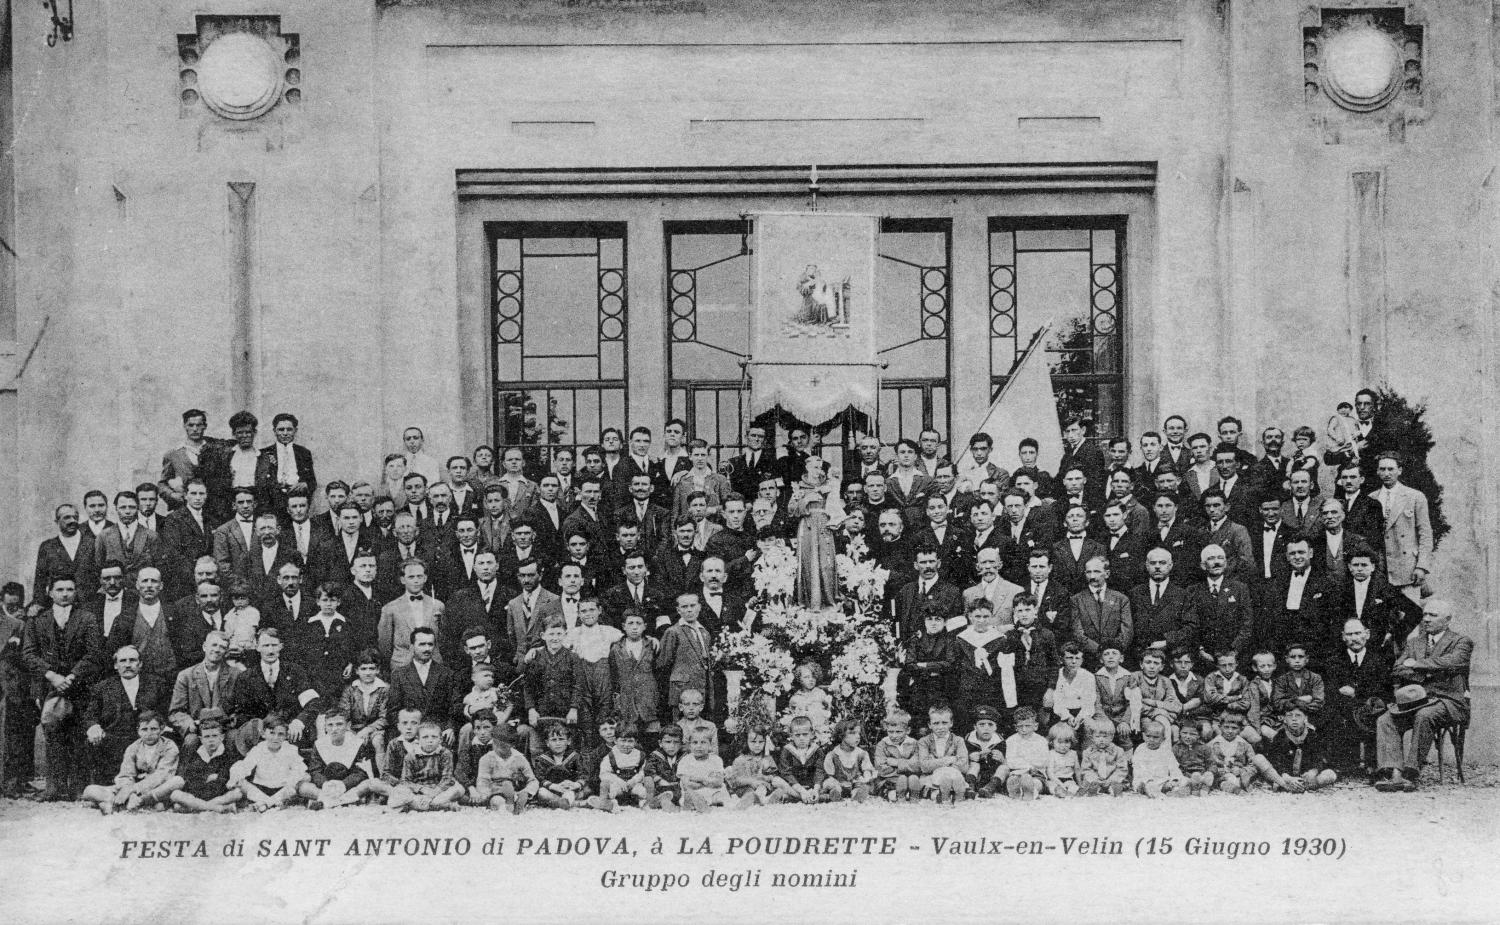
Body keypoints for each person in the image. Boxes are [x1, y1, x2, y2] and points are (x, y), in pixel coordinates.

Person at [1374, 600, 1472, 792]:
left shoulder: (1461, 641)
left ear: (1447, 619)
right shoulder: (1413, 643)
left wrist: (1417, 665)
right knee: (1386, 719)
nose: (1426, 619)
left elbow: (1453, 663)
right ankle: (1395, 774)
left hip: (1448, 700)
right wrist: (1427, 671)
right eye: (1425, 615)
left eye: (1433, 615)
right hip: (1416, 700)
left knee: (1424, 716)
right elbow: (1398, 669)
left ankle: (1411, 774)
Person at [225, 628, 322, 755]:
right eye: (265, 645)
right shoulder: (246, 677)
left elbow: (313, 703)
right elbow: (241, 712)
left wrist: (299, 722)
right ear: (257, 647)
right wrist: (261, 729)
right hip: (260, 735)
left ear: (281, 646)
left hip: (291, 731)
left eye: (274, 645)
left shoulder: (295, 671)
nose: (270, 650)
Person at [1323, 618, 1391, 774]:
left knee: (1379, 715)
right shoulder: (1333, 660)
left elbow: (1384, 690)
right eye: (1349, 634)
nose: (1354, 638)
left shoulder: (1379, 660)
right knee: (1335, 713)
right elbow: (1331, 689)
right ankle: (1344, 764)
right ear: (1343, 637)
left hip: (1370, 709)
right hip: (1343, 708)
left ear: (1367, 634)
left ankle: (1374, 765)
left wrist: (1357, 693)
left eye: (1358, 633)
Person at [80, 710, 179, 813]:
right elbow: (126, 774)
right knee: (90, 790)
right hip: (131, 789)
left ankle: (126, 803)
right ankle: (127, 802)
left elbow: (161, 776)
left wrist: (133, 789)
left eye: (154, 729)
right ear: (138, 731)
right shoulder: (133, 747)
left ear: (162, 729)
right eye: (144, 729)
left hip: (155, 789)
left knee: (177, 781)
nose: (149, 733)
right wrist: (129, 792)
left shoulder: (169, 747)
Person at [1371, 453, 1433, 601]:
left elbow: (1425, 534)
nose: (1387, 473)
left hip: (1407, 568)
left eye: (1391, 469)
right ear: (1378, 472)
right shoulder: (1372, 498)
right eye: (1382, 469)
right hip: (1381, 569)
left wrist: (1422, 566)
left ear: (1399, 470)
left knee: (1409, 617)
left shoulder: (1415, 496)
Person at [167, 630, 242, 752]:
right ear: (204, 647)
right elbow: (176, 711)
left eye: (222, 647)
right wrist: (188, 724)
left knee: (233, 738)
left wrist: (230, 721)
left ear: (226, 652)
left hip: (225, 728)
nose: (217, 650)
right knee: (191, 741)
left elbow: (241, 708)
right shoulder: (186, 675)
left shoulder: (236, 674)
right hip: (197, 730)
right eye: (214, 645)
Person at [299, 708, 380, 810]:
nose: (334, 729)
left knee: (369, 784)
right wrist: (325, 784)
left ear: (348, 725)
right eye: (330, 725)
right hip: (326, 787)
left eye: (339, 724)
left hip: (348, 787)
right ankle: (339, 800)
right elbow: (315, 770)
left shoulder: (356, 743)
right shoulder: (320, 744)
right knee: (303, 786)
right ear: (325, 726)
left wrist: (344, 784)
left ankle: (330, 802)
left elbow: (360, 772)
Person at [230, 712, 308, 811]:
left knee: (303, 777)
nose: (275, 738)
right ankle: (270, 802)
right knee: (240, 782)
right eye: (272, 733)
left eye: (280, 734)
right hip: (261, 788)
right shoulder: (259, 749)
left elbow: (298, 769)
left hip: (282, 788)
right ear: (263, 733)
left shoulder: (289, 749)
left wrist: (291, 781)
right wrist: (237, 775)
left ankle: (266, 803)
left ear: (286, 736)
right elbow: (245, 766)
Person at [164, 715, 242, 813]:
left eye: (214, 736)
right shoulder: (196, 755)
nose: (211, 740)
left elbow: (226, 777)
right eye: (207, 736)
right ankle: (214, 807)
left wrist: (216, 778)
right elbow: (190, 779)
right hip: (198, 794)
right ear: (201, 739)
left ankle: (200, 807)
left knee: (237, 793)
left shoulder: (226, 754)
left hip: (218, 794)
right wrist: (209, 778)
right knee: (175, 794)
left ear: (222, 737)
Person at [378, 559, 445, 670]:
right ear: (403, 580)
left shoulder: (437, 606)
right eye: (411, 577)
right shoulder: (390, 608)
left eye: (419, 576)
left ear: (425, 578)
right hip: (402, 666)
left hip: (433, 665)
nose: (416, 581)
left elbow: (443, 640)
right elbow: (384, 645)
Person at [1261, 703, 1338, 793]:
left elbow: (1318, 758)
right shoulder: (1280, 736)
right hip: (1287, 776)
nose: (1294, 719)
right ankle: (1287, 785)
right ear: (1285, 719)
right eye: (1289, 716)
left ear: (1305, 718)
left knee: (1330, 775)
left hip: (1305, 778)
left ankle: (1298, 787)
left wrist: (1313, 771)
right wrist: (1288, 778)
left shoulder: (1312, 735)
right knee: (1260, 760)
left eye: (1298, 716)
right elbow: (1276, 761)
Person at [388, 720, 463, 812]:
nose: (430, 741)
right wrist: (422, 789)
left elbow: (446, 779)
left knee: (458, 789)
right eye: (425, 737)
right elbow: (405, 781)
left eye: (434, 737)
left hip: (440, 790)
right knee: (398, 791)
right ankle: (439, 806)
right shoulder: (411, 756)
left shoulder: (445, 754)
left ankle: (421, 805)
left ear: (440, 740)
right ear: (418, 740)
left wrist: (434, 792)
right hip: (419, 791)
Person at [337, 648, 390, 769]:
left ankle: (383, 775)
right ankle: (347, 773)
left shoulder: (384, 689)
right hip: (354, 728)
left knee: (378, 741)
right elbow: (343, 714)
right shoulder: (350, 689)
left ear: (378, 670)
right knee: (347, 739)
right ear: (357, 671)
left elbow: (384, 717)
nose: (368, 672)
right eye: (363, 669)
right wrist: (350, 731)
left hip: (376, 730)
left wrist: (368, 730)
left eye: (372, 668)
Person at [475, 724, 538, 814]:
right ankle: (509, 807)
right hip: (495, 792)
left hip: (516, 791)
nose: (498, 749)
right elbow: (482, 781)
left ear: (512, 745)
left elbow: (532, 780)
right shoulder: (486, 759)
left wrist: (527, 791)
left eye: (503, 746)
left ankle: (515, 803)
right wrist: (485, 795)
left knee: (517, 793)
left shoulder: (519, 758)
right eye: (495, 744)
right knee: (497, 801)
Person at [916, 704, 969, 803]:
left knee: (954, 779)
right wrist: (948, 760)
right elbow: (924, 766)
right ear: (929, 725)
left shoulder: (958, 740)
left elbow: (964, 765)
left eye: (944, 723)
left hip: (953, 775)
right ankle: (941, 795)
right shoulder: (924, 742)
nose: (940, 727)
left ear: (951, 723)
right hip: (931, 778)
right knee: (929, 789)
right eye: (936, 723)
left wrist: (936, 764)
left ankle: (954, 795)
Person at [594, 722, 650, 811]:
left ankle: (643, 803)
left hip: (634, 784)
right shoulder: (611, 756)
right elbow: (604, 773)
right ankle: (611, 804)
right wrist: (618, 781)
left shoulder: (640, 755)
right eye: (623, 740)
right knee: (609, 789)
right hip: (618, 785)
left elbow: (643, 771)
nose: (626, 745)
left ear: (635, 742)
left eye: (630, 741)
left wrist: (634, 780)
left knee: (642, 792)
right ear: (615, 740)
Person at [996, 706, 1048, 800]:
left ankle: (1031, 791)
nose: (1024, 729)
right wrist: (1029, 764)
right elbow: (1011, 761)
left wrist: (1025, 764)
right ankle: (1016, 791)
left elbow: (1042, 762)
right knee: (1013, 779)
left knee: (1037, 782)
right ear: (1015, 727)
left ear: (1035, 726)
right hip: (1017, 772)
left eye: (1027, 726)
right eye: (1020, 726)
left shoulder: (1041, 741)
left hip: (1036, 772)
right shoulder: (1011, 740)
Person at [532, 722, 586, 809]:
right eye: (553, 740)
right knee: (542, 792)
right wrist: (553, 786)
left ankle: (562, 803)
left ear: (568, 741)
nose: (558, 743)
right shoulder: (542, 759)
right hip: (552, 790)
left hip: (569, 789)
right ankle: (567, 803)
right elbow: (539, 777)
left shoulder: (574, 757)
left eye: (561, 739)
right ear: (547, 743)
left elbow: (583, 774)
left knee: (571, 793)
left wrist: (575, 784)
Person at [775, 714, 826, 804]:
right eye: (797, 735)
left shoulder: (817, 750)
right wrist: (802, 791)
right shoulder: (787, 750)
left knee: (831, 782)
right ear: (791, 736)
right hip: (794, 786)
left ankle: (804, 796)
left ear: (812, 734)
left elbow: (820, 771)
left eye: (805, 734)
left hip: (813, 786)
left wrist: (816, 789)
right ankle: (807, 797)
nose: (801, 738)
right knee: (776, 781)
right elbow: (786, 773)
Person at [873, 709, 922, 802]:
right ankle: (898, 795)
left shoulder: (914, 743)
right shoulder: (882, 744)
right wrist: (905, 769)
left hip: (910, 779)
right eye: (890, 732)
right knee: (889, 790)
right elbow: (881, 768)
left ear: (907, 730)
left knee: (913, 779)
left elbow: (917, 765)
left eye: (898, 732)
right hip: (889, 780)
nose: (894, 736)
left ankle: (911, 794)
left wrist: (896, 763)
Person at [820, 719, 875, 802]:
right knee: (830, 783)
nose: (858, 736)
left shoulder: (861, 753)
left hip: (855, 782)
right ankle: (836, 793)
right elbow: (829, 774)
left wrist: (866, 777)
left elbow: (866, 769)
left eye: (858, 733)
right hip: (838, 782)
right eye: (852, 733)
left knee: (861, 784)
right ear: (841, 735)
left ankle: (856, 795)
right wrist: (833, 780)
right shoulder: (833, 755)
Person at [678, 729, 731, 811]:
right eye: (695, 743)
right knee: (690, 795)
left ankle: (709, 805)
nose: (699, 746)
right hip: (695, 791)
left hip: (714, 791)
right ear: (689, 745)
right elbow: (687, 784)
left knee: (720, 796)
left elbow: (718, 782)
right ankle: (700, 805)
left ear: (710, 745)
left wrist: (699, 779)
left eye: (703, 742)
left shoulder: (716, 760)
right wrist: (707, 782)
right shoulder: (685, 761)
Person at [1206, 711, 1258, 793]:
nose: (1230, 731)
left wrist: (1242, 771)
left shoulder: (1245, 745)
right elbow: (1205, 762)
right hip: (1220, 775)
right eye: (1226, 727)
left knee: (1242, 780)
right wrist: (1216, 770)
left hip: (1239, 774)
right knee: (1220, 781)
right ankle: (1235, 789)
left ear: (1240, 730)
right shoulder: (1212, 744)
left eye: (1234, 728)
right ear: (1220, 727)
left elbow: (1254, 764)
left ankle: (1239, 785)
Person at [1130, 719, 1185, 798]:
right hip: (1145, 781)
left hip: (1163, 781)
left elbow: (1173, 767)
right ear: (1143, 736)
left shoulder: (1166, 750)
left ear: (1163, 739)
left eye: (1155, 737)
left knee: (1183, 781)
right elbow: (1139, 769)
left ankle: (1173, 792)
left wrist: (1174, 779)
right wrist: (1149, 781)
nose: (1151, 740)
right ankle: (1157, 795)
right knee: (1149, 786)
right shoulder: (1141, 749)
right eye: (1148, 736)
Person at [1077, 716, 1128, 796]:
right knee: (1089, 784)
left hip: (1112, 780)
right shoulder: (1088, 752)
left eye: (1105, 737)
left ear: (1111, 737)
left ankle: (1114, 790)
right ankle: (1095, 790)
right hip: (1096, 780)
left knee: (1117, 785)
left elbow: (1122, 769)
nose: (1101, 740)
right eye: (1097, 736)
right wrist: (1095, 779)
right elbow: (1086, 769)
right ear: (1092, 737)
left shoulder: (1118, 751)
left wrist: (1111, 780)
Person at [644, 726, 685, 811]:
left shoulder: (684, 756)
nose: (672, 746)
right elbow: (649, 770)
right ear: (660, 743)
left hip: (679, 787)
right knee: (650, 782)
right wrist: (659, 780)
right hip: (661, 787)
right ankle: (659, 802)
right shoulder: (655, 756)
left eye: (676, 742)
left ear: (681, 744)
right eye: (668, 742)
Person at [1172, 719, 1214, 795]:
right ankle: (1193, 788)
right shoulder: (1176, 748)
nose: (1188, 737)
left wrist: (1210, 772)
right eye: (1184, 733)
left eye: (1192, 734)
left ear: (1199, 735)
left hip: (1201, 774)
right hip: (1185, 774)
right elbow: (1173, 765)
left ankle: (1203, 788)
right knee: (1184, 784)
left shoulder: (1204, 747)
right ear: (1180, 733)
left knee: (1207, 779)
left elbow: (1211, 763)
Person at [1043, 723, 1081, 798]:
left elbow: (1077, 770)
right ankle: (1060, 792)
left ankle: (1070, 792)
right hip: (1054, 779)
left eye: (1066, 742)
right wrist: (1060, 784)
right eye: (1060, 742)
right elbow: (1050, 773)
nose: (1063, 745)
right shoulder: (1051, 754)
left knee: (1074, 787)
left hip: (1068, 779)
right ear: (1052, 742)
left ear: (1071, 741)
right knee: (1052, 788)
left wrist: (1080, 784)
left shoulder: (1073, 754)